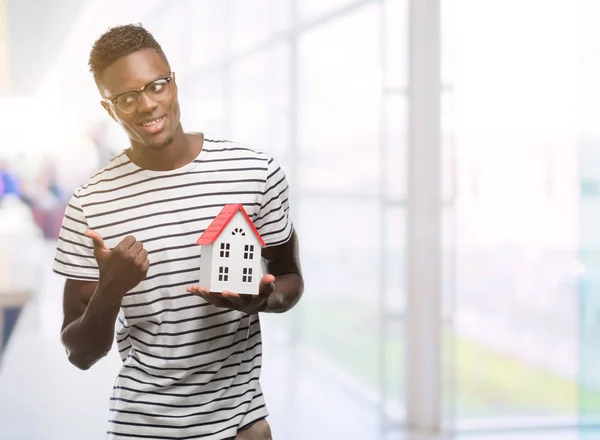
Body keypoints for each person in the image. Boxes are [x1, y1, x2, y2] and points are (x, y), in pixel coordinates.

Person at [53, 24, 303, 440]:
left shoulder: (255, 172)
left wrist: (263, 299)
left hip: (243, 427)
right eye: (127, 98)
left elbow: (290, 275)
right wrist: (110, 289)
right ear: (109, 108)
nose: (147, 105)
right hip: (142, 428)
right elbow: (80, 353)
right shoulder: (89, 203)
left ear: (173, 81)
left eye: (156, 85)